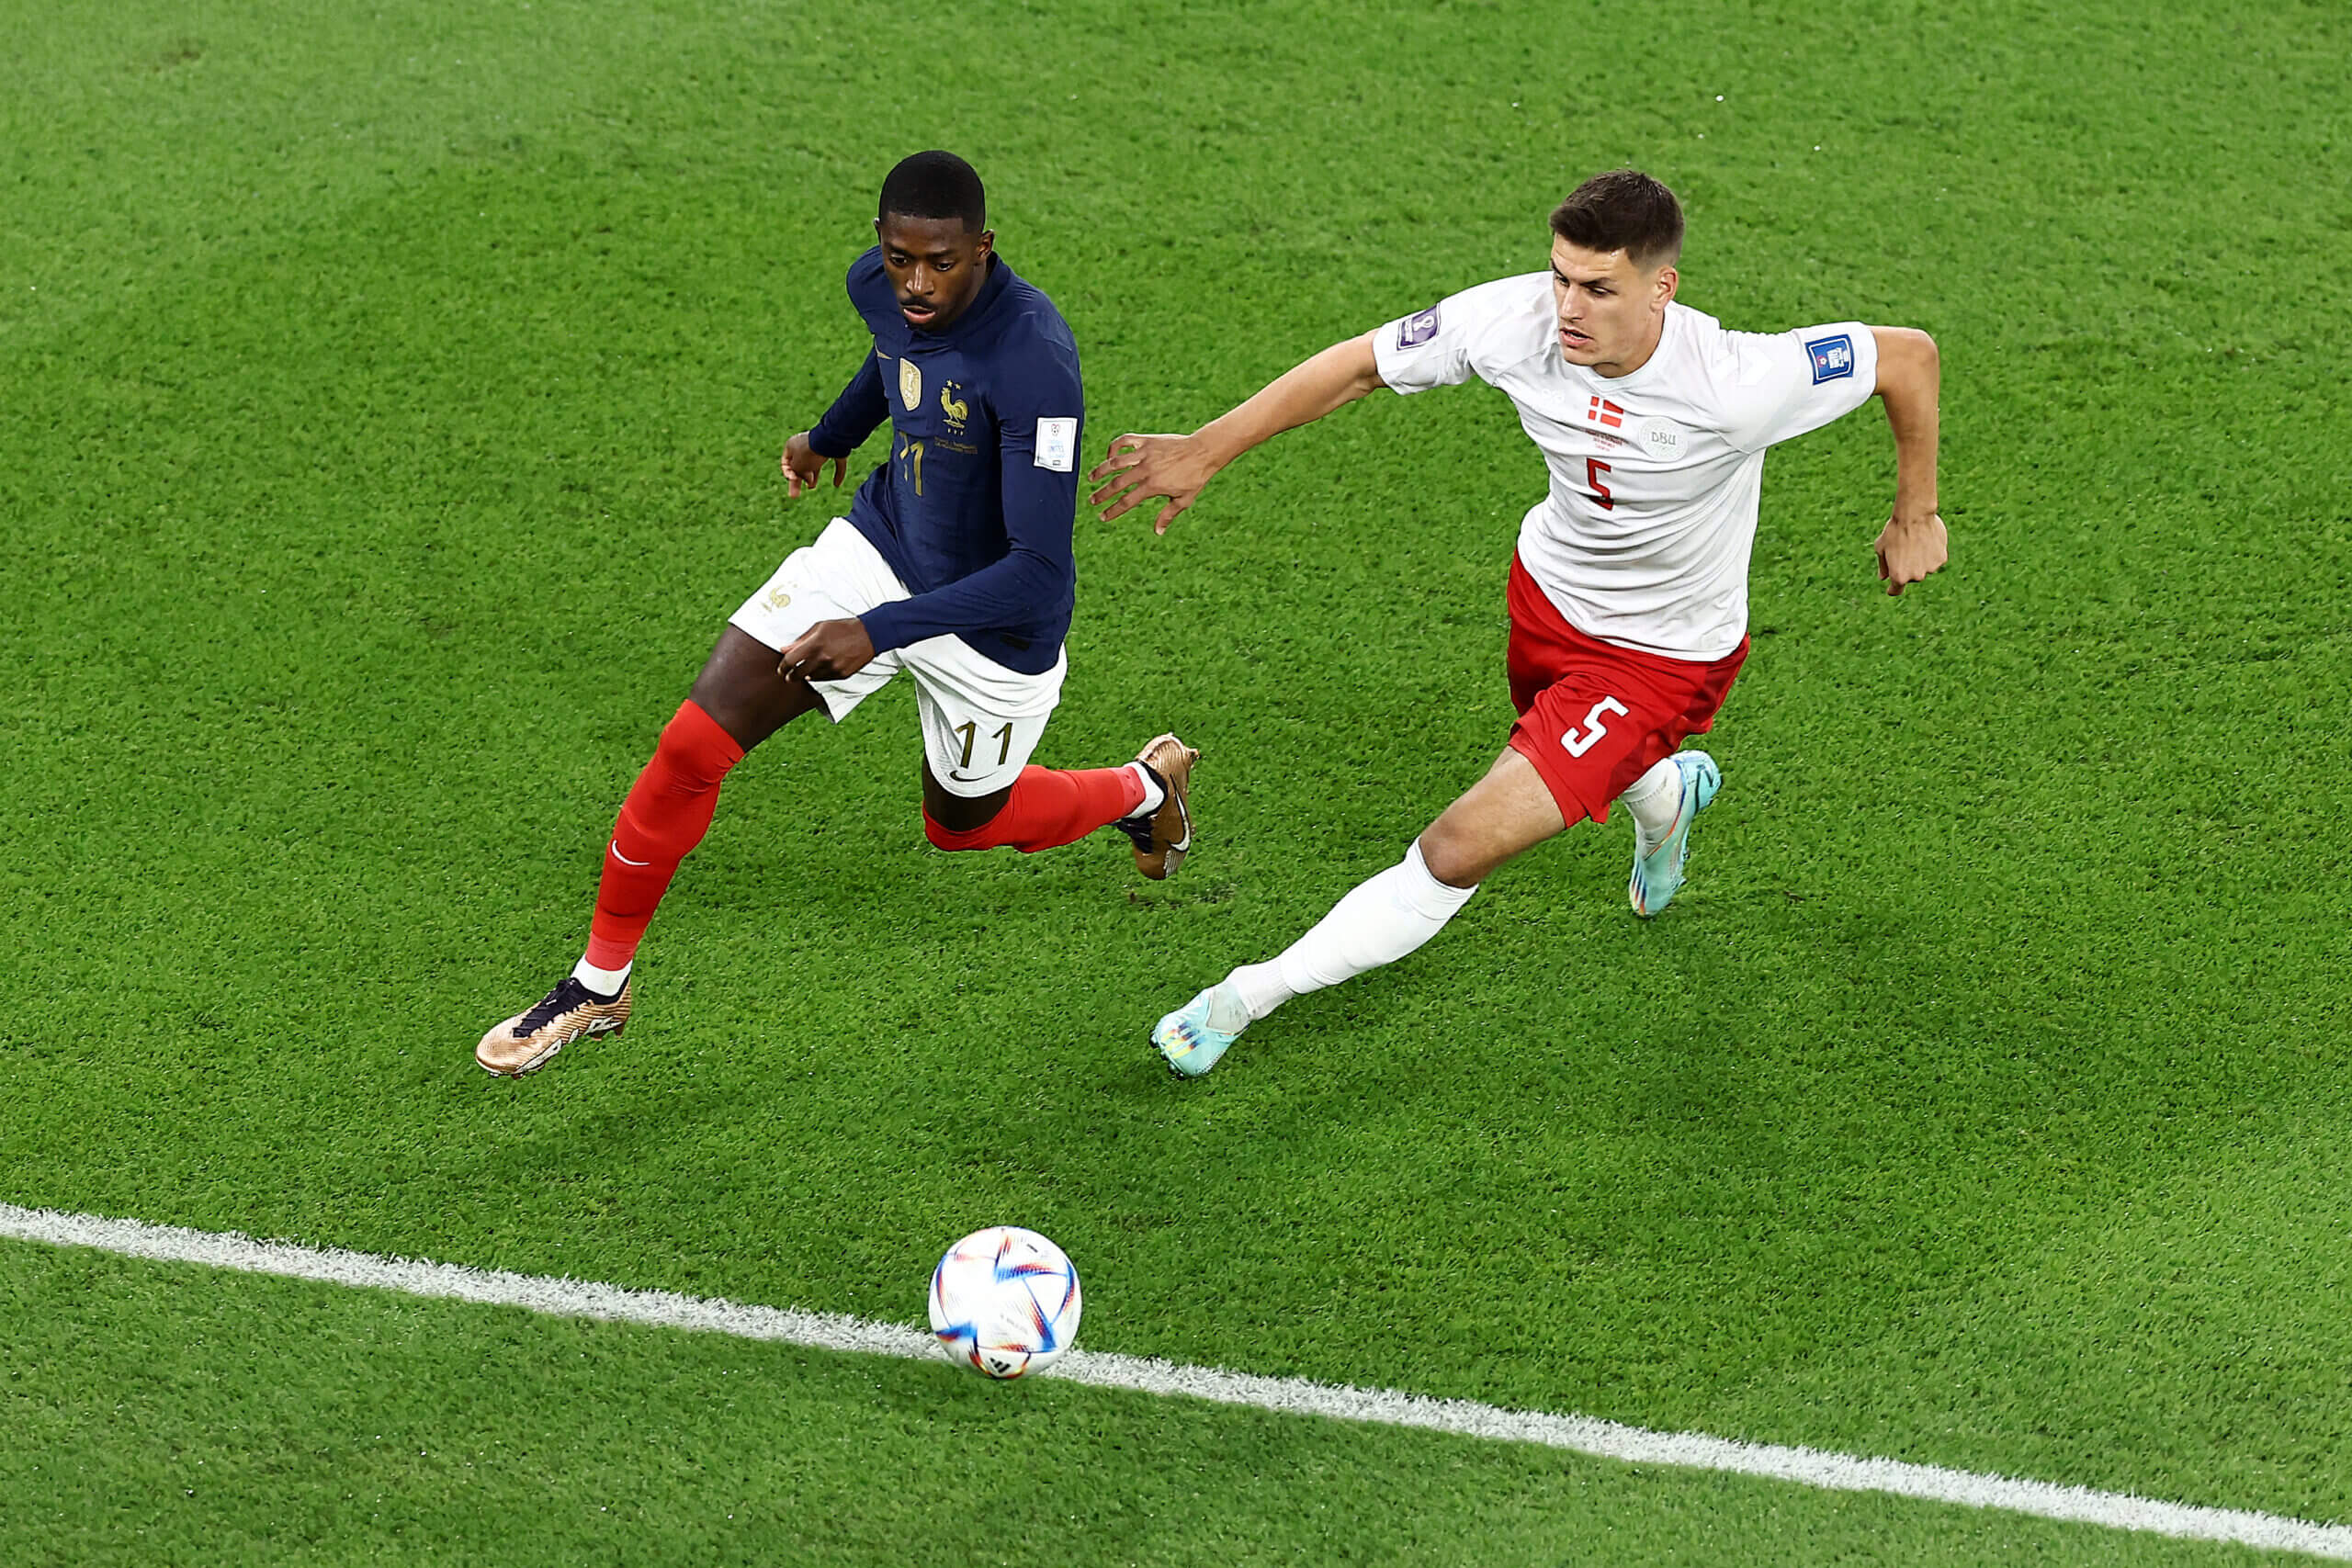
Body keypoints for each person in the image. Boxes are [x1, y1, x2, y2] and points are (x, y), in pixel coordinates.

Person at [1089, 168, 1945, 1077]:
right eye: (1559, 278)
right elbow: (1357, 366)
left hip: (1661, 657)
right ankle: (1669, 800)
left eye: (1597, 289)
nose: (1568, 308)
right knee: (1594, 767)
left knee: (1459, 844)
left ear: (1662, 287)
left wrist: (1914, 513)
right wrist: (1208, 449)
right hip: (1543, 602)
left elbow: (1907, 356)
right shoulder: (1513, 321)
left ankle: (1242, 997)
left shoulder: (1738, 381)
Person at [477, 151, 1197, 1077]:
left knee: (964, 825)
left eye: (941, 262)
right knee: (695, 743)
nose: (917, 283)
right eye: (901, 258)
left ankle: (1143, 790)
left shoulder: (1033, 363)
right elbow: (893, 360)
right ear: (880, 244)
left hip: (993, 632)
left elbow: (1035, 569)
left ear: (984, 248)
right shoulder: (884, 288)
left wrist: (880, 632)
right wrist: (827, 438)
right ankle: (599, 982)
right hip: (878, 547)